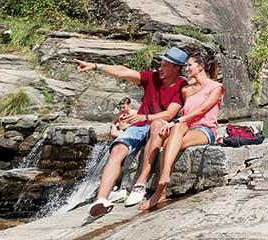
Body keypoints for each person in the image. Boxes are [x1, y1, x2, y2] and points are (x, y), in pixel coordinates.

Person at [76, 46, 188, 217]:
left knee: (157, 124)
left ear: (176, 68)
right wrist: (96, 66)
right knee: (117, 149)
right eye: (161, 64)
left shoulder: (182, 85)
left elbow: (170, 114)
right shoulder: (152, 77)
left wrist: (145, 117)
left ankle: (140, 183)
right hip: (139, 125)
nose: (160, 68)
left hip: (158, 126)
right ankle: (101, 200)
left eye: (165, 65)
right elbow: (124, 72)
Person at [140, 54, 223, 213]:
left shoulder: (216, 87)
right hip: (186, 127)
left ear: (201, 67)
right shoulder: (187, 90)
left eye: (190, 65)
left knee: (172, 138)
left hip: (205, 130)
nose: (186, 68)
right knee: (172, 133)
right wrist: (173, 123)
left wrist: (177, 121)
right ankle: (161, 183)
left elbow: (202, 110)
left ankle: (160, 187)